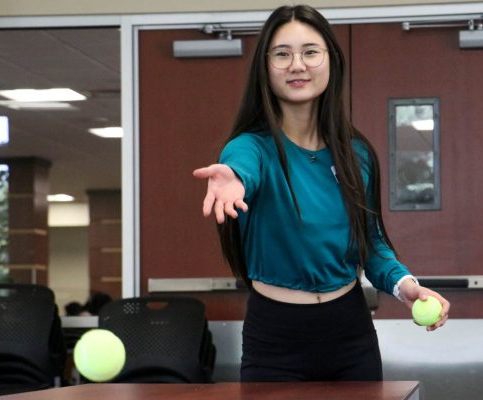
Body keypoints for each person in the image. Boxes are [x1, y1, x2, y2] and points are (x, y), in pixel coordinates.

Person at [193, 4, 450, 382]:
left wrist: (405, 286)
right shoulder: (251, 148)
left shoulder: (356, 153)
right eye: (282, 54)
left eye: (310, 52)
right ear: (265, 67)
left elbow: (371, 243)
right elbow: (241, 165)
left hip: (349, 332)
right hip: (275, 339)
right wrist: (234, 176)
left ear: (331, 60)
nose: (297, 65)